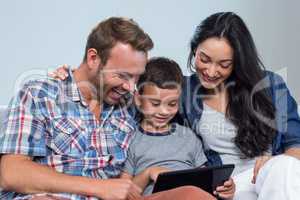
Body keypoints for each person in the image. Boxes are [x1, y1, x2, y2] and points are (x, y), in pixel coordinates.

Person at [0, 17, 209, 200]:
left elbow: (164, 95)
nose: (130, 86)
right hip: (55, 196)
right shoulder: (40, 94)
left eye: (136, 76)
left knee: (192, 195)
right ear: (93, 58)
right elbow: (11, 173)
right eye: (122, 75)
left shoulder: (129, 103)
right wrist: (100, 188)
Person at [177, 12, 300, 200]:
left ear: (238, 62)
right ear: (194, 50)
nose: (210, 71)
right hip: (230, 188)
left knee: (284, 167)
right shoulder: (183, 92)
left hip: (274, 176)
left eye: (224, 64)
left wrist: (275, 161)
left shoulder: (271, 85)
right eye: (204, 59)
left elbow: (296, 145)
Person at [121, 57, 235, 199]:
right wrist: (148, 173)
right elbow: (124, 192)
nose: (164, 111)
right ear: (138, 99)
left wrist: (225, 187)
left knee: (192, 192)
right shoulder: (130, 140)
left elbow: (205, 180)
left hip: (191, 195)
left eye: (172, 104)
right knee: (190, 193)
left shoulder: (188, 136)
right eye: (155, 103)